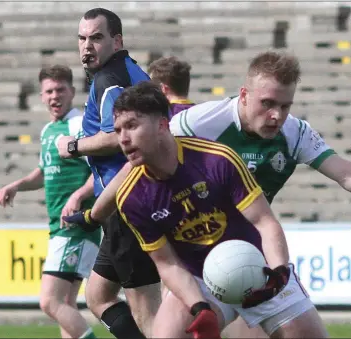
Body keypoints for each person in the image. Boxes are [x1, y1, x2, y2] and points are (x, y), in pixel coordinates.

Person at [77, 51, 351, 338]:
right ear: (244, 95)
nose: (277, 116)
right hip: (197, 266)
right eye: (268, 104)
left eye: (285, 106)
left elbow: (343, 174)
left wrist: (280, 273)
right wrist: (94, 214)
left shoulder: (293, 132)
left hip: (258, 256)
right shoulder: (198, 123)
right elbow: (143, 161)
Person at [56, 8, 161, 339]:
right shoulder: (128, 70)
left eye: (97, 38)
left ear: (117, 41)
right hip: (127, 197)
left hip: (126, 201)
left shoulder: (108, 80)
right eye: (82, 38)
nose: (87, 46)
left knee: (147, 310)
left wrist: (72, 147)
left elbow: (119, 136)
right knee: (97, 295)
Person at [0, 65, 101, 339]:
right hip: (59, 224)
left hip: (75, 225)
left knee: (49, 302)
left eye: (60, 90)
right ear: (41, 96)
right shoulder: (48, 131)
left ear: (72, 92)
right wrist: (17, 185)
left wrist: (78, 196)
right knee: (65, 306)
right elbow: (44, 172)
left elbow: (100, 171)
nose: (55, 96)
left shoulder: (78, 125)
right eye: (49, 91)